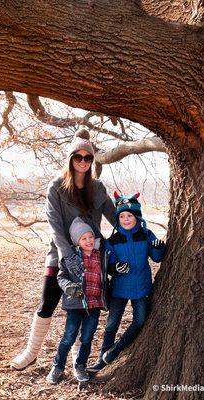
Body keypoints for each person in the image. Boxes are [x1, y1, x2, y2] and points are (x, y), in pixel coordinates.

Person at [11, 129, 116, 371]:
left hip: (91, 256)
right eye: (77, 157)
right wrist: (68, 257)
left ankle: (77, 357)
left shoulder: (98, 188)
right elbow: (55, 226)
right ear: (70, 159)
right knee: (47, 301)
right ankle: (31, 352)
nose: (82, 162)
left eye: (87, 158)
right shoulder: (56, 187)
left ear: (92, 161)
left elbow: (115, 217)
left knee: (86, 305)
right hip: (60, 253)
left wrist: (134, 224)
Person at [87, 191, 166, 372]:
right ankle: (102, 358)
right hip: (119, 289)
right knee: (112, 324)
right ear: (118, 218)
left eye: (129, 215)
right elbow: (108, 263)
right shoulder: (113, 240)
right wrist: (115, 268)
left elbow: (156, 258)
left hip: (141, 287)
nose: (126, 219)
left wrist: (158, 248)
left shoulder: (146, 234)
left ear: (137, 216)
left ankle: (115, 351)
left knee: (140, 321)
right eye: (122, 216)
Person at [46, 217, 110, 384]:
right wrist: (68, 287)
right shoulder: (71, 258)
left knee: (87, 338)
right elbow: (61, 277)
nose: (88, 240)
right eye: (84, 238)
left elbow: (107, 272)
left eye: (90, 237)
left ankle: (80, 365)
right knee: (69, 336)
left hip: (94, 304)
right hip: (76, 304)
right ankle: (57, 366)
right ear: (77, 241)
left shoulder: (101, 255)